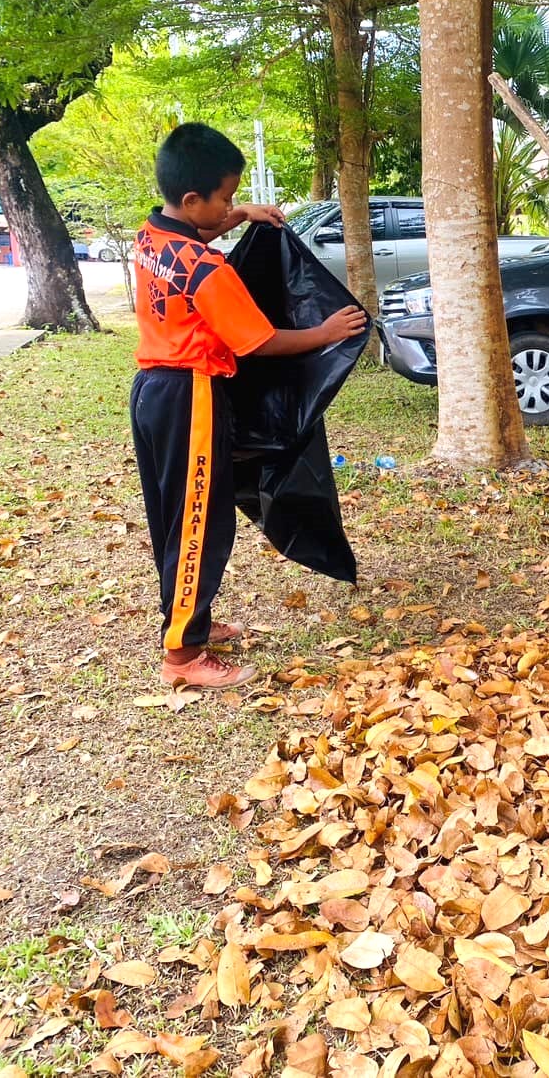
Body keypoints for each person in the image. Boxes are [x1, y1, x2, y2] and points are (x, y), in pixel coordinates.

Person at [132, 123, 366, 689]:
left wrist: (240, 215)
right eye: (226, 197)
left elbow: (199, 231)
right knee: (201, 524)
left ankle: (189, 622)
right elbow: (258, 342)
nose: (229, 207)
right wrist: (325, 332)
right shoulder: (207, 270)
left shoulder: (151, 237)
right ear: (193, 199)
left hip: (151, 390)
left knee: (173, 517)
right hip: (192, 397)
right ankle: (183, 657)